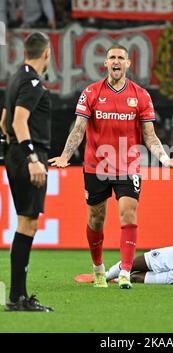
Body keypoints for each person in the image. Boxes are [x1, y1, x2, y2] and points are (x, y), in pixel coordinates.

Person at [49, 44, 173, 289]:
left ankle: (124, 271)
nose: (116, 61)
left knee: (128, 214)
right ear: (105, 63)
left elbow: (149, 135)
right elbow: (78, 129)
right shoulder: (90, 92)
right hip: (96, 167)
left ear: (128, 64)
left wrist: (164, 159)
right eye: (112, 57)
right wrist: (65, 155)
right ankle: (98, 268)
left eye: (121, 58)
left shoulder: (141, 95)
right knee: (96, 220)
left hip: (128, 166)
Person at [0, 32, 53, 311]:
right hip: (29, 155)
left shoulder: (15, 77)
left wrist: (13, 150)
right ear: (46, 52)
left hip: (16, 153)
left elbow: (3, 121)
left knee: (25, 223)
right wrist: (32, 158)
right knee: (27, 224)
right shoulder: (33, 81)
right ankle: (17, 298)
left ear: (25, 52)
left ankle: (17, 296)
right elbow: (19, 121)